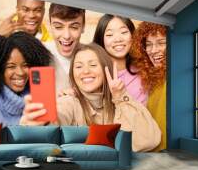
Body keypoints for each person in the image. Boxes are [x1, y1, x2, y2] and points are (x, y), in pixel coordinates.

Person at [20, 43, 161, 152]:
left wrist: (120, 97)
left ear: (106, 69)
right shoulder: (69, 101)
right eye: (79, 67)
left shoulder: (119, 102)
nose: (85, 71)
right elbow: (58, 117)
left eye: (93, 65)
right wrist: (41, 123)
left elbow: (148, 140)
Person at [0, 0, 52, 71]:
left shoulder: (51, 43)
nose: (31, 15)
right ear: (17, 10)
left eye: (37, 10)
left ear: (44, 11)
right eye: (25, 10)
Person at [93, 14, 148, 105]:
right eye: (110, 34)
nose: (118, 39)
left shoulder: (145, 70)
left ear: (133, 35)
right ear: (101, 40)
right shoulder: (95, 74)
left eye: (123, 32)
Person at [131, 22, 167, 151]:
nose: (153, 50)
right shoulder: (152, 80)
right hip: (153, 153)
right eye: (149, 45)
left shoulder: (177, 77)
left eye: (161, 43)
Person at [43, 3, 85, 95]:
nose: (66, 36)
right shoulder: (39, 53)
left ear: (83, 27)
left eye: (74, 27)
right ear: (50, 26)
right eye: (58, 27)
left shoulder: (92, 56)